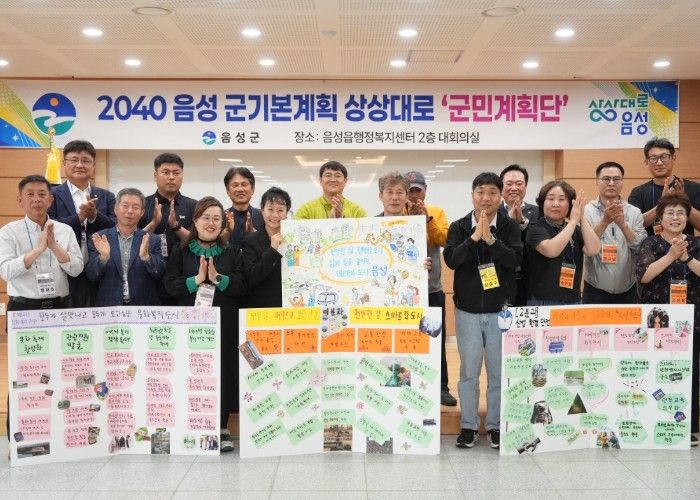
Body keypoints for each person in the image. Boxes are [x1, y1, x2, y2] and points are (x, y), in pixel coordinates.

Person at [443, 172, 523, 450]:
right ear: (472, 196)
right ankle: (468, 425)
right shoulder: (459, 226)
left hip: (501, 312)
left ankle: (495, 426)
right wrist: (475, 237)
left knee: (498, 372)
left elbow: (514, 260)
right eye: (480, 192)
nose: (486, 198)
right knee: (468, 372)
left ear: (500, 196)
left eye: (492, 192)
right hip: (467, 312)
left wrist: (491, 240)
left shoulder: (510, 227)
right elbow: (452, 260)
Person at [0, 175, 83, 438]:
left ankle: (57, 437)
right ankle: (19, 440)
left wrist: (54, 246)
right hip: (24, 310)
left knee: (60, 372)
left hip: (59, 308)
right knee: (24, 374)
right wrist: (37, 250)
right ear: (20, 200)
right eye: (30, 194)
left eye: (41, 194)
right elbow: (5, 271)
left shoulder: (64, 230)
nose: (36, 200)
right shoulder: (9, 232)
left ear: (51, 199)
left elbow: (77, 269)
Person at [164, 196, 247, 452]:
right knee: (193, 373)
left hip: (225, 323)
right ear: (195, 220)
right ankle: (194, 425)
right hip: (190, 325)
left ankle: (221, 428)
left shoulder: (231, 251)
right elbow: (170, 286)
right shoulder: (181, 250)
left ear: (223, 224)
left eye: (216, 219)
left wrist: (218, 278)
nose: (211, 223)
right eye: (206, 218)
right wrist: (197, 280)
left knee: (223, 373)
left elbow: (243, 286)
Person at [636, 193, 700, 446]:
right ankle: (654, 420)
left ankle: (688, 426)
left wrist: (687, 258)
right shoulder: (650, 243)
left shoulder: (696, 244)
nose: (675, 218)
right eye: (670, 213)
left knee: (689, 372)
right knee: (656, 370)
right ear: (660, 218)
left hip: (690, 321)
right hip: (658, 321)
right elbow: (644, 275)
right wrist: (672, 255)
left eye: (680, 213)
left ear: (687, 218)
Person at [403, 170, 457, 407]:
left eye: (418, 190)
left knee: (436, 339)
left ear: (425, 191)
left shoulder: (437, 212)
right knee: (406, 340)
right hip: (403, 293)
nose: (414, 195)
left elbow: (445, 239)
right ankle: (407, 386)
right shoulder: (396, 212)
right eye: (410, 190)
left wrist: (427, 220)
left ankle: (441, 387)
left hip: (432, 289)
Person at [48, 140, 116, 307]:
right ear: (64, 163)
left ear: (93, 165)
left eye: (85, 160)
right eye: (74, 160)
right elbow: (49, 225)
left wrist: (94, 216)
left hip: (98, 265)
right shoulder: (51, 194)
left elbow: (115, 227)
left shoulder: (107, 196)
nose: (79, 165)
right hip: (63, 265)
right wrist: (79, 218)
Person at [524, 180, 601, 305]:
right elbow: (551, 251)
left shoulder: (575, 229)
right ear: (542, 203)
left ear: (570, 204)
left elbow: (594, 249)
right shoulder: (535, 227)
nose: (556, 204)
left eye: (561, 199)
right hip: (542, 300)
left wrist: (581, 217)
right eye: (550, 199)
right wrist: (573, 221)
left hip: (573, 299)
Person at [86, 188, 165, 306]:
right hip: (109, 306)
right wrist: (103, 258)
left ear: (142, 212)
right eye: (125, 205)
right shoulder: (99, 238)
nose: (130, 211)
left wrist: (147, 258)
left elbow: (159, 273)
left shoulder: (152, 239)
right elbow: (91, 275)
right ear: (115, 209)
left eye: (135, 207)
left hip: (142, 306)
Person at [582, 161, 646, 303]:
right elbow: (585, 246)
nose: (611, 183)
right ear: (597, 181)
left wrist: (623, 225)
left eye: (616, 179)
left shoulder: (634, 212)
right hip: (595, 290)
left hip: (628, 289)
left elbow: (640, 247)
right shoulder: (586, 211)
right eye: (606, 179)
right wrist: (604, 222)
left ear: (622, 182)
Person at [139, 153, 197, 303]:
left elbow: (199, 242)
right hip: (149, 278)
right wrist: (153, 224)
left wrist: (177, 227)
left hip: (185, 280)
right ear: (155, 175)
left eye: (176, 173)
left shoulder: (194, 206)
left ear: (182, 176)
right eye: (165, 172)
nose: (171, 177)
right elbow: (133, 241)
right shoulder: (143, 204)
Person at [628, 137, 700, 236]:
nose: (659, 163)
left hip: (685, 244)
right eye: (653, 158)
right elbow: (633, 226)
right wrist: (662, 203)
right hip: (650, 245)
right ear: (646, 162)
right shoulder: (638, 192)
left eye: (664, 157)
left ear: (673, 158)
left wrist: (684, 202)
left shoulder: (694, 188)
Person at [241, 187, 291, 308]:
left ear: (287, 213)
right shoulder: (250, 241)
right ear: (262, 211)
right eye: (270, 209)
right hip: (262, 307)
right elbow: (251, 278)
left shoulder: (294, 240)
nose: (275, 215)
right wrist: (272, 250)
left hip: (291, 305)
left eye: (280, 210)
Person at [498, 164, 539, 306]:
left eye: (519, 184)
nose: (514, 188)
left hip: (531, 280)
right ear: (501, 187)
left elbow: (538, 242)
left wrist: (521, 223)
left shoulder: (538, 212)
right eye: (509, 184)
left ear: (526, 186)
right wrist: (509, 222)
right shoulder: (493, 212)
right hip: (501, 278)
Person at [295, 160, 367, 219]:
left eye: (338, 176)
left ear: (345, 181)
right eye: (328, 175)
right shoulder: (306, 210)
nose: (333, 180)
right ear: (320, 180)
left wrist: (340, 220)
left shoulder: (357, 212)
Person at [221, 166, 264, 249]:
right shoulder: (220, 218)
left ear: (253, 189)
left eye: (244, 184)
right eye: (235, 185)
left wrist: (255, 236)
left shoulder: (263, 216)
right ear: (227, 191)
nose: (240, 189)